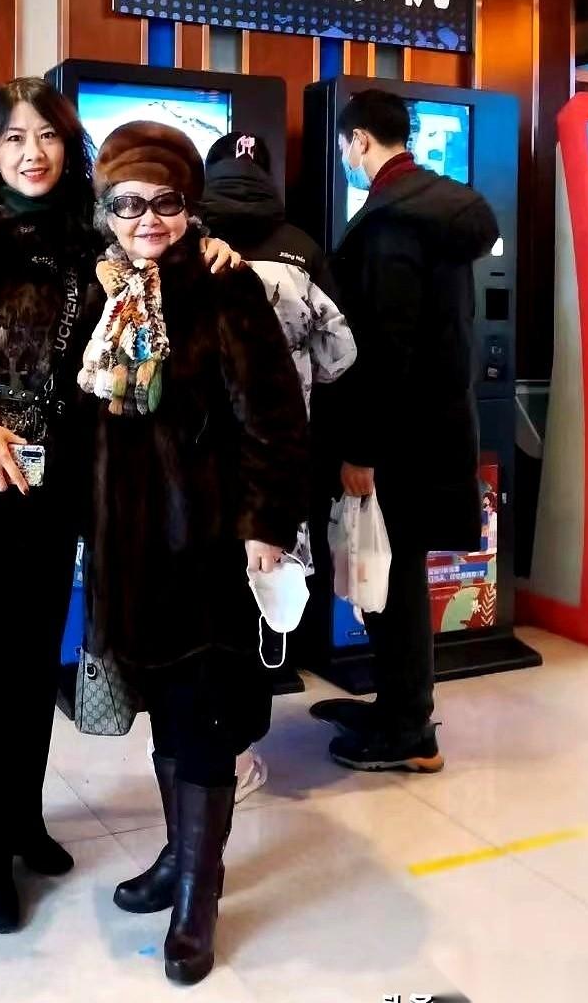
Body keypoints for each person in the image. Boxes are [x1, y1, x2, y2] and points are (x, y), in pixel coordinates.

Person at [0, 79, 240, 935]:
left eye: (46, 135)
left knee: (31, 667)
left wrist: (215, 247)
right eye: (14, 138)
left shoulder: (88, 235)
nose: (32, 152)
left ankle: (20, 821)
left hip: (54, 491)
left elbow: (154, 247)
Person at [79, 121, 310, 987]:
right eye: (128, 202)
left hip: (208, 549)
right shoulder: (100, 288)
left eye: (166, 201)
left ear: (191, 207)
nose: (148, 218)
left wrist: (266, 524)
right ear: (106, 210)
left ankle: (196, 899)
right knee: (163, 712)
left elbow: (276, 419)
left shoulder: (225, 287)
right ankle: (180, 856)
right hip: (129, 552)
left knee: (205, 720)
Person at [310, 89, 499, 773]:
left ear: (359, 140)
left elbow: (388, 349)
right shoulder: (434, 211)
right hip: (432, 426)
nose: (346, 158)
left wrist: (362, 450)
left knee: (395, 580)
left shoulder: (393, 224)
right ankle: (399, 707)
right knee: (399, 573)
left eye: (344, 147)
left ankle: (408, 730)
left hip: (399, 438)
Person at [202, 130, 356, 798]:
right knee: (259, 599)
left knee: (200, 608)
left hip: (196, 462)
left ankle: (196, 748)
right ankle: (240, 752)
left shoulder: (183, 242)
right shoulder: (302, 247)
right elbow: (341, 356)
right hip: (278, 457)